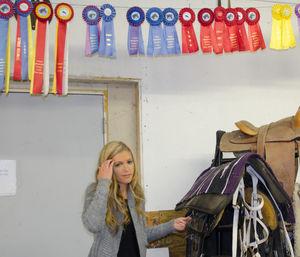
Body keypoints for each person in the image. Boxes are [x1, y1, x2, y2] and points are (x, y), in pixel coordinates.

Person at [82, 141, 191, 257]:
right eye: (118, 164)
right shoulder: (96, 190)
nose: (126, 169)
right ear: (108, 167)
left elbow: (141, 235)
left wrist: (171, 225)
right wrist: (104, 183)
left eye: (129, 162)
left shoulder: (136, 194)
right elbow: (93, 225)